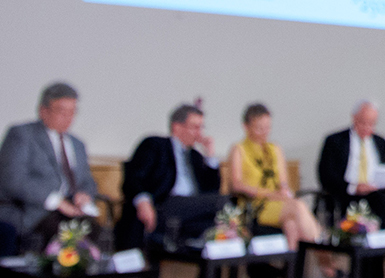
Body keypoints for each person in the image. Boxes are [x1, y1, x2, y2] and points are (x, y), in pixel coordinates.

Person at [226, 103, 335, 275]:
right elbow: (236, 184)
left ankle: (291, 273)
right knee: (298, 207)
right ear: (246, 127)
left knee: (293, 225)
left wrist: (283, 190)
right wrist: (270, 194)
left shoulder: (275, 148)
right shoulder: (239, 149)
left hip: (279, 204)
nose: (264, 132)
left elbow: (283, 181)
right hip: (255, 205)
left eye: (267, 127)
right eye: (259, 128)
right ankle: (327, 263)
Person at [317, 101, 385, 277]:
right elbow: (326, 176)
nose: (367, 127)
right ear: (354, 119)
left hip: (376, 194)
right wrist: (354, 186)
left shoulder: (380, 142)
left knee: (381, 203)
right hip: (347, 195)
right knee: (375, 210)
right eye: (363, 123)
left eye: (372, 123)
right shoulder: (335, 141)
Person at [0, 82, 100, 247]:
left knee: (95, 232)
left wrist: (85, 194)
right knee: (65, 235)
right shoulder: (22, 135)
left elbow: (87, 181)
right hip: (34, 211)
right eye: (62, 111)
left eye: (72, 112)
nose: (68, 117)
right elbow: (13, 180)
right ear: (43, 110)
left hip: (72, 211)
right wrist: (56, 201)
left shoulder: (77, 144)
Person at [115, 104, 228, 251]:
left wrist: (210, 157)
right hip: (164, 205)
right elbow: (133, 177)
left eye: (202, 127)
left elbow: (212, 191)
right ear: (177, 127)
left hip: (189, 212)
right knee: (224, 203)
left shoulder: (196, 156)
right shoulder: (155, 144)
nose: (199, 133)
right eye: (195, 127)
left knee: (220, 227)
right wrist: (143, 201)